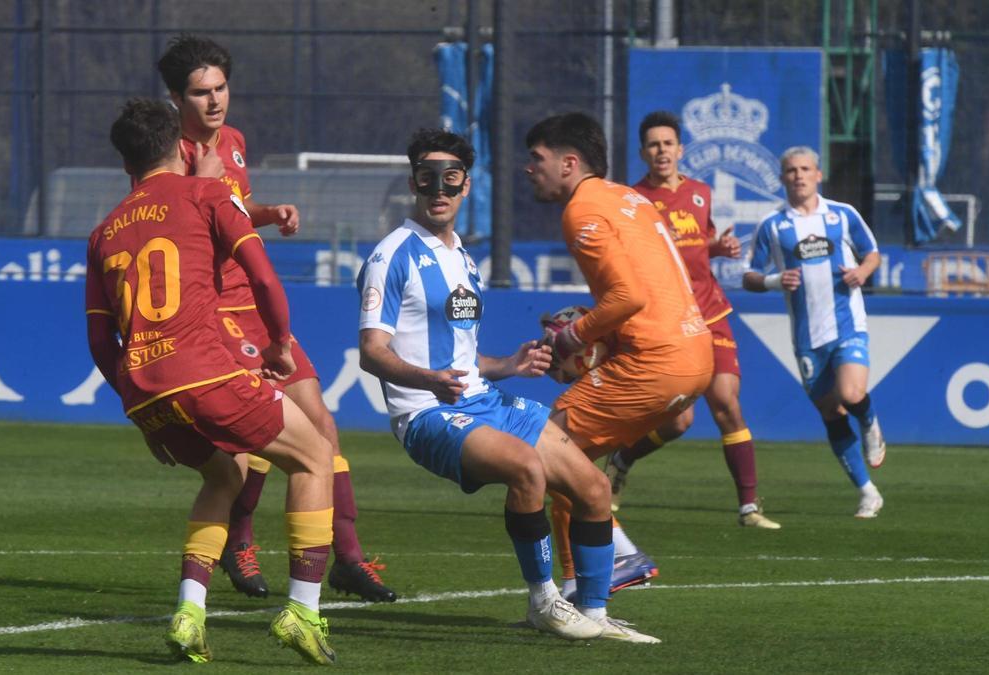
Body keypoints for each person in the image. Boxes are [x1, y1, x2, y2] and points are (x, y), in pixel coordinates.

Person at [357, 128, 660, 644]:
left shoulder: (465, 261)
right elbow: (372, 352)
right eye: (427, 180)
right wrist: (428, 380)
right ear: (413, 184)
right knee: (526, 469)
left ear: (466, 186)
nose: (439, 192)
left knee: (594, 488)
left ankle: (593, 611)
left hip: (484, 399)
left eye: (449, 180)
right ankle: (544, 601)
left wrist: (509, 364)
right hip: (427, 416)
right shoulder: (392, 256)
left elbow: (463, 357)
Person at [86, 98, 338, 665]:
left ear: (126, 164)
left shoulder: (103, 233)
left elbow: (102, 344)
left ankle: (189, 613)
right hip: (204, 370)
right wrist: (278, 344)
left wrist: (140, 412)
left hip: (145, 391)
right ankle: (302, 611)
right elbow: (263, 276)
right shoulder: (206, 193)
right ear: (181, 146)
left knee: (223, 477)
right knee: (316, 456)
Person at [156, 35, 395, 603]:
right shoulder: (171, 157)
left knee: (323, 430)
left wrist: (267, 212)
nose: (214, 101)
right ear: (175, 98)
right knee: (252, 446)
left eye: (220, 88)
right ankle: (240, 545)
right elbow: (182, 226)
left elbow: (231, 214)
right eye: (200, 93)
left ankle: (350, 559)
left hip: (254, 306)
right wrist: (202, 183)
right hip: (215, 311)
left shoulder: (232, 142)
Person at [524, 112, 714, 599]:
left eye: (537, 158)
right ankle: (580, 596)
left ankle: (617, 556)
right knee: (573, 464)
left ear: (569, 163)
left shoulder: (581, 211)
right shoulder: (629, 197)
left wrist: (571, 337)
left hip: (656, 361)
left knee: (550, 449)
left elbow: (628, 297)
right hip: (694, 351)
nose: (530, 168)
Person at [601, 110, 780, 529]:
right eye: (653, 144)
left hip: (711, 311)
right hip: (668, 318)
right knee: (679, 420)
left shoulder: (700, 192)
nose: (661, 151)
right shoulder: (634, 200)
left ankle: (749, 508)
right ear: (643, 152)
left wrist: (717, 247)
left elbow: (695, 243)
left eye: (668, 143)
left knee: (726, 403)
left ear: (680, 150)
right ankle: (623, 459)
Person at [743, 146, 887, 518]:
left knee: (852, 392)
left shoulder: (842, 215)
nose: (799, 176)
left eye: (805, 169)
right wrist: (775, 280)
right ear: (782, 178)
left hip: (847, 322)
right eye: (791, 170)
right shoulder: (773, 225)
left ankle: (870, 423)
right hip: (808, 336)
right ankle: (868, 492)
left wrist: (863, 273)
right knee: (830, 412)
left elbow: (871, 252)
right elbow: (749, 276)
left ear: (818, 175)